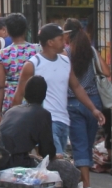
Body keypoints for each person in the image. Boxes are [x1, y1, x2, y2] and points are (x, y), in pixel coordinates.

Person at [1, 76, 96, 188]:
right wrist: (55, 156)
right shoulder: (42, 113)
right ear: (44, 95)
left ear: (25, 93)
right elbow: (46, 151)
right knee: (68, 170)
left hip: (1, 163)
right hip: (18, 164)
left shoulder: (12, 110)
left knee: (47, 165)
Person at [13, 23, 106, 158]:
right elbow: (19, 94)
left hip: (64, 120)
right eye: (61, 39)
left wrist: (93, 109)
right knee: (57, 161)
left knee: (54, 164)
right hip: (47, 121)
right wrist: (13, 120)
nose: (65, 41)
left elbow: (77, 87)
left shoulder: (65, 61)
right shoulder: (33, 65)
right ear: (50, 42)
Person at [64, 18, 109, 188]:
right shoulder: (91, 51)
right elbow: (106, 72)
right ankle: (85, 183)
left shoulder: (66, 53)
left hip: (73, 102)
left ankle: (86, 185)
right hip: (94, 102)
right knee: (88, 144)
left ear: (67, 35)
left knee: (79, 144)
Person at [0, 13, 38, 117]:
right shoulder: (37, 50)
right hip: (34, 100)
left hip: (11, 102)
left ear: (7, 31)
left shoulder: (2, 54)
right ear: (26, 29)